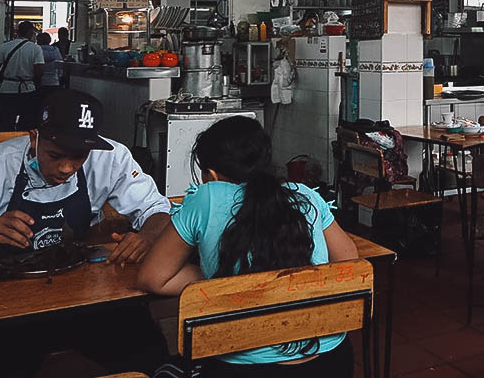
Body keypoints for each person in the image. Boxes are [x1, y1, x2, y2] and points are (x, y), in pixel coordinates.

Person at [0, 89, 172, 377]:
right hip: (0, 306)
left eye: (78, 157)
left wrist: (146, 237)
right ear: (34, 138)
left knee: (145, 348)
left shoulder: (111, 159)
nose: (66, 167)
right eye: (55, 155)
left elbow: (158, 210)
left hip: (79, 293)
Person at [139, 116, 359, 376]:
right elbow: (349, 262)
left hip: (244, 370)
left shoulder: (207, 198)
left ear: (211, 174)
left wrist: (222, 274)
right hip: (331, 363)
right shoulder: (305, 194)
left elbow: (153, 278)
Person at [0, 21, 46, 131]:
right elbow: (39, 72)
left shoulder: (5, 46)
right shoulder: (35, 49)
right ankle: (23, 145)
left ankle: (5, 144)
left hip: (6, 89)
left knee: (6, 122)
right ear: (30, 32)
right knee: (27, 123)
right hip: (28, 90)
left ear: (18, 32)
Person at [36, 31, 64, 97]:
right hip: (54, 81)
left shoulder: (37, 50)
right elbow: (60, 65)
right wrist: (59, 76)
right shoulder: (56, 50)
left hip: (40, 83)